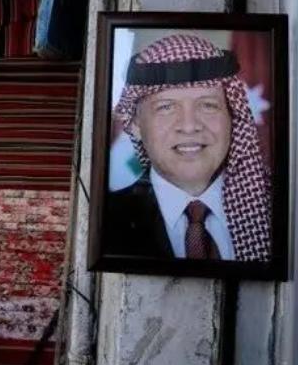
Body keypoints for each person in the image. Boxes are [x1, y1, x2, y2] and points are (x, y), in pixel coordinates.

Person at [107, 34, 272, 262]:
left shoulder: (279, 211)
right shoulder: (105, 222)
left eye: (208, 105)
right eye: (166, 107)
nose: (189, 126)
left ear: (232, 115)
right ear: (135, 124)